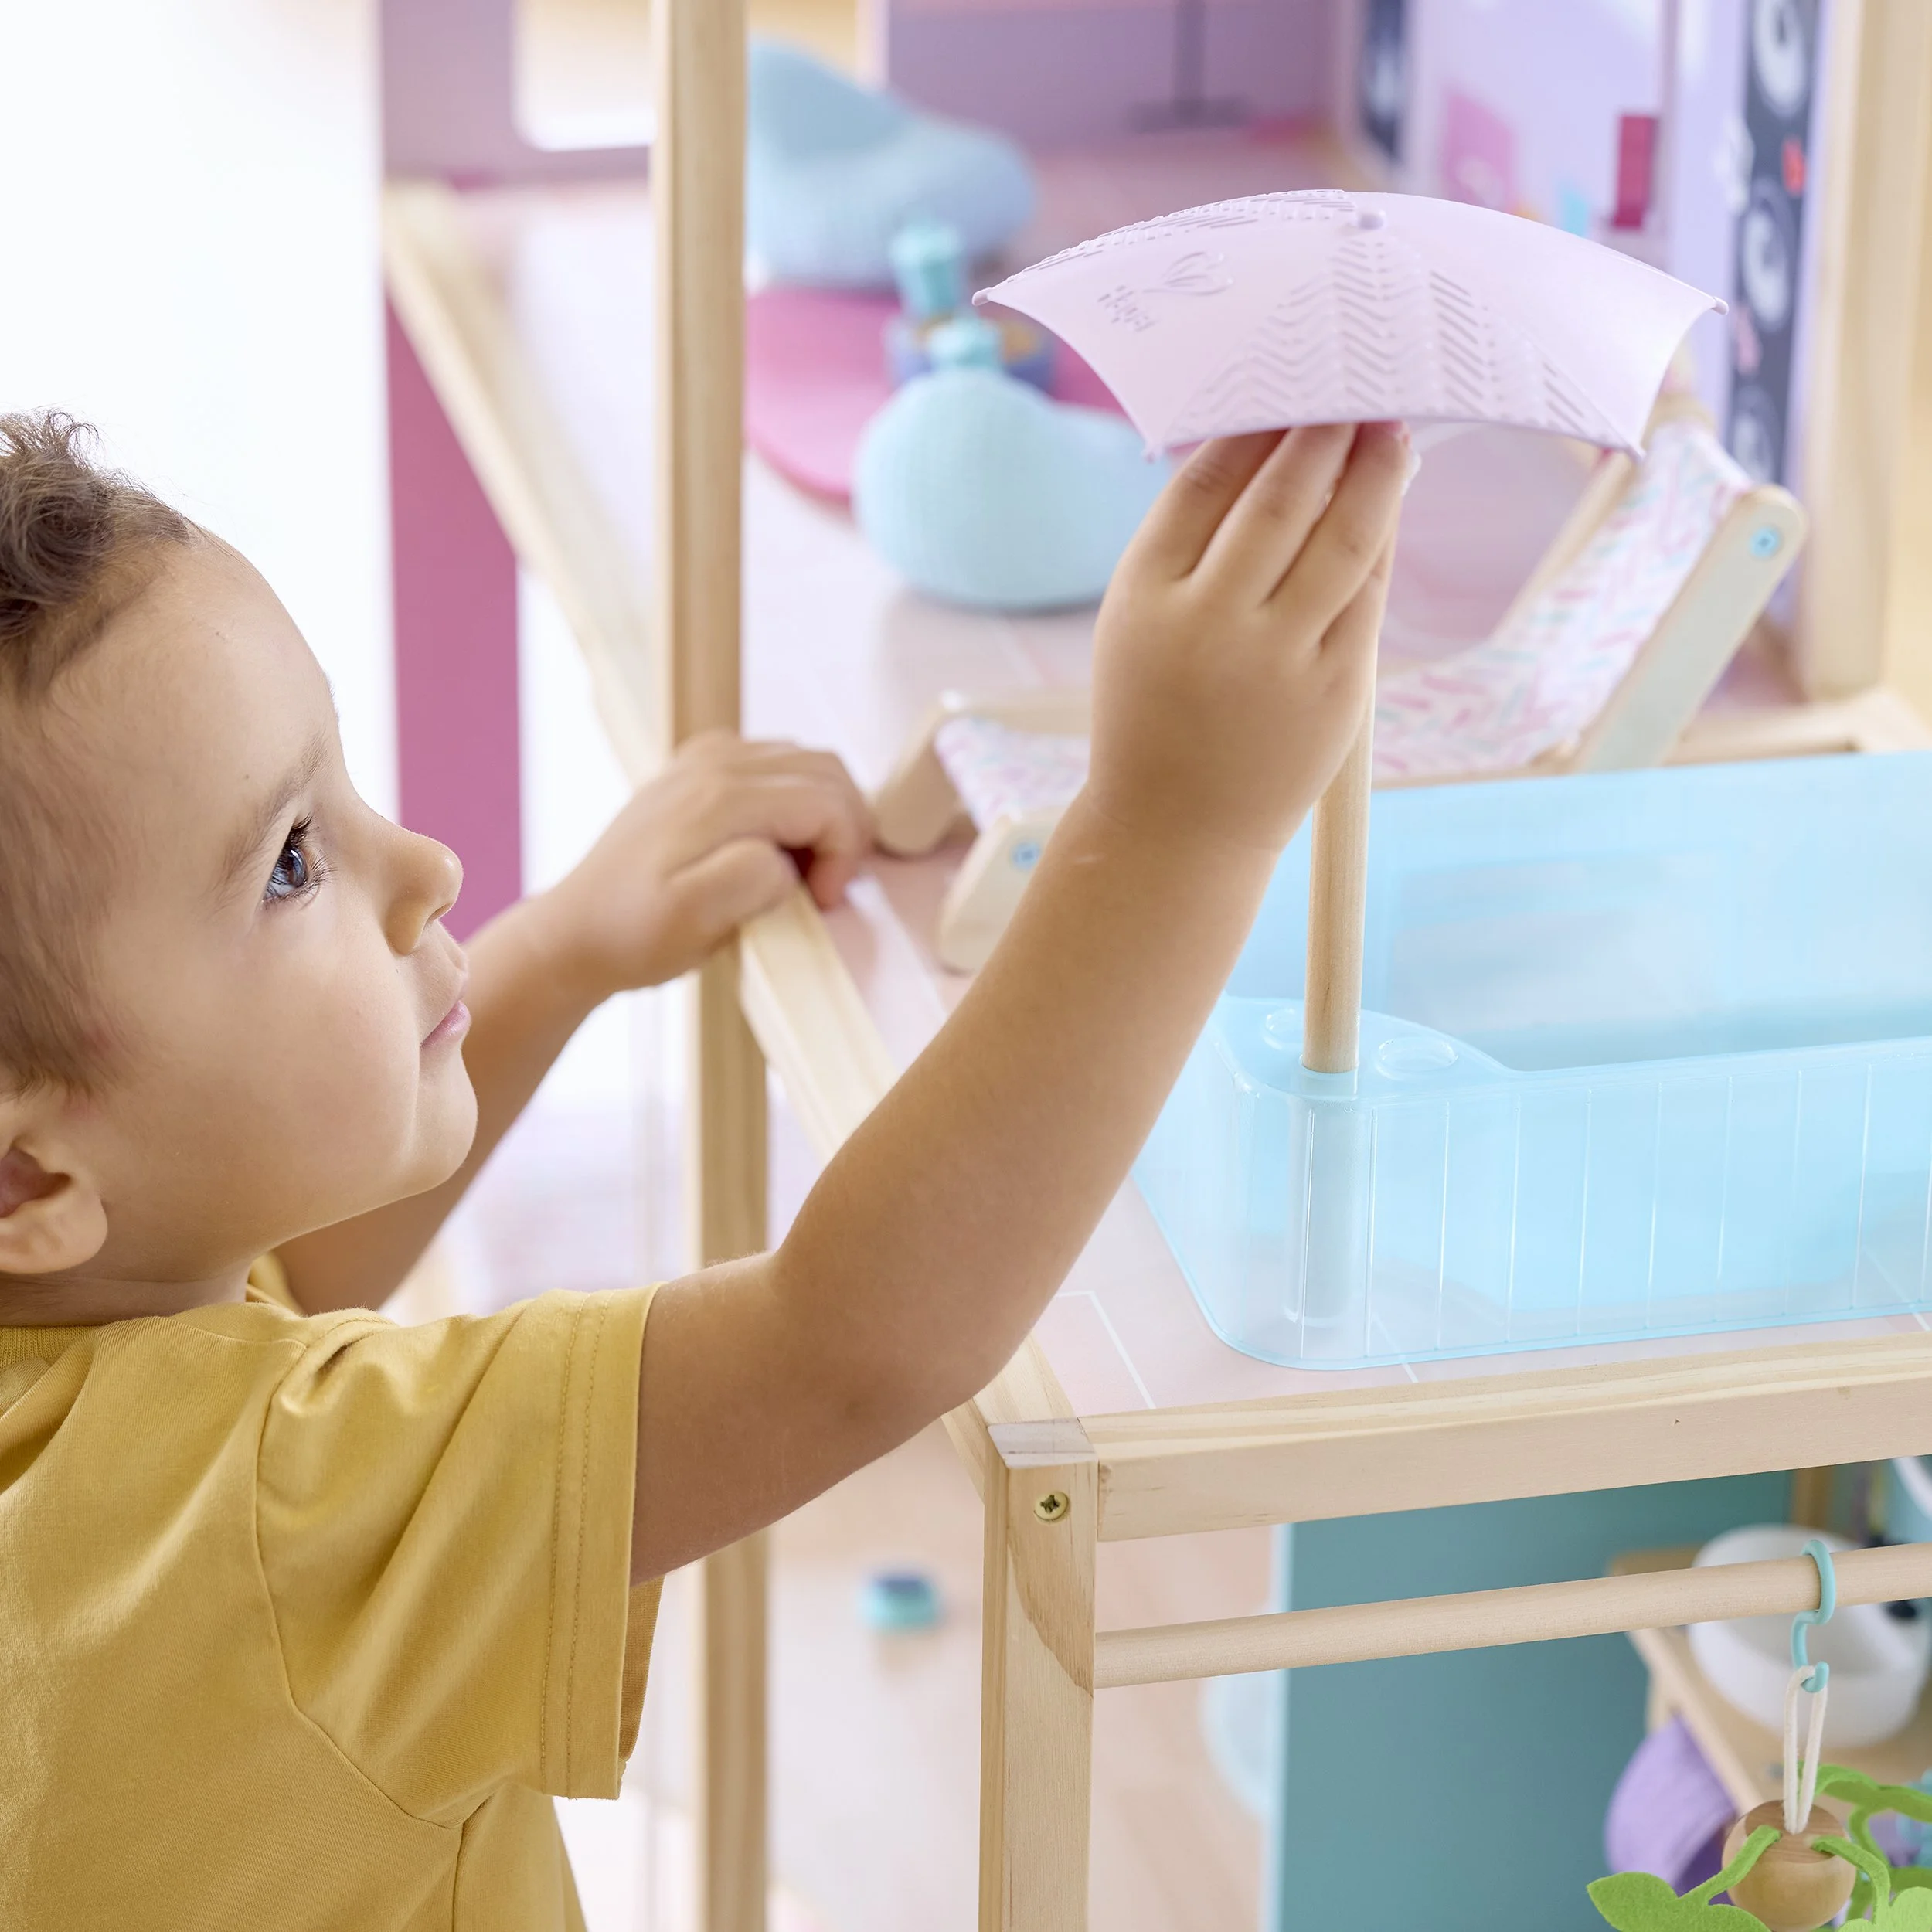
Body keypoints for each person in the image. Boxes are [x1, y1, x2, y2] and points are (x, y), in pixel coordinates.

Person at [0, 408, 1406, 1926]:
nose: (425, 869)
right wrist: (1177, 821)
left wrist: (557, 950)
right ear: (26, 1179)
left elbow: (264, 1276)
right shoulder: (293, 1508)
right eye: (289, 860)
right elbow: (847, 1340)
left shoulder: (80, 1359)